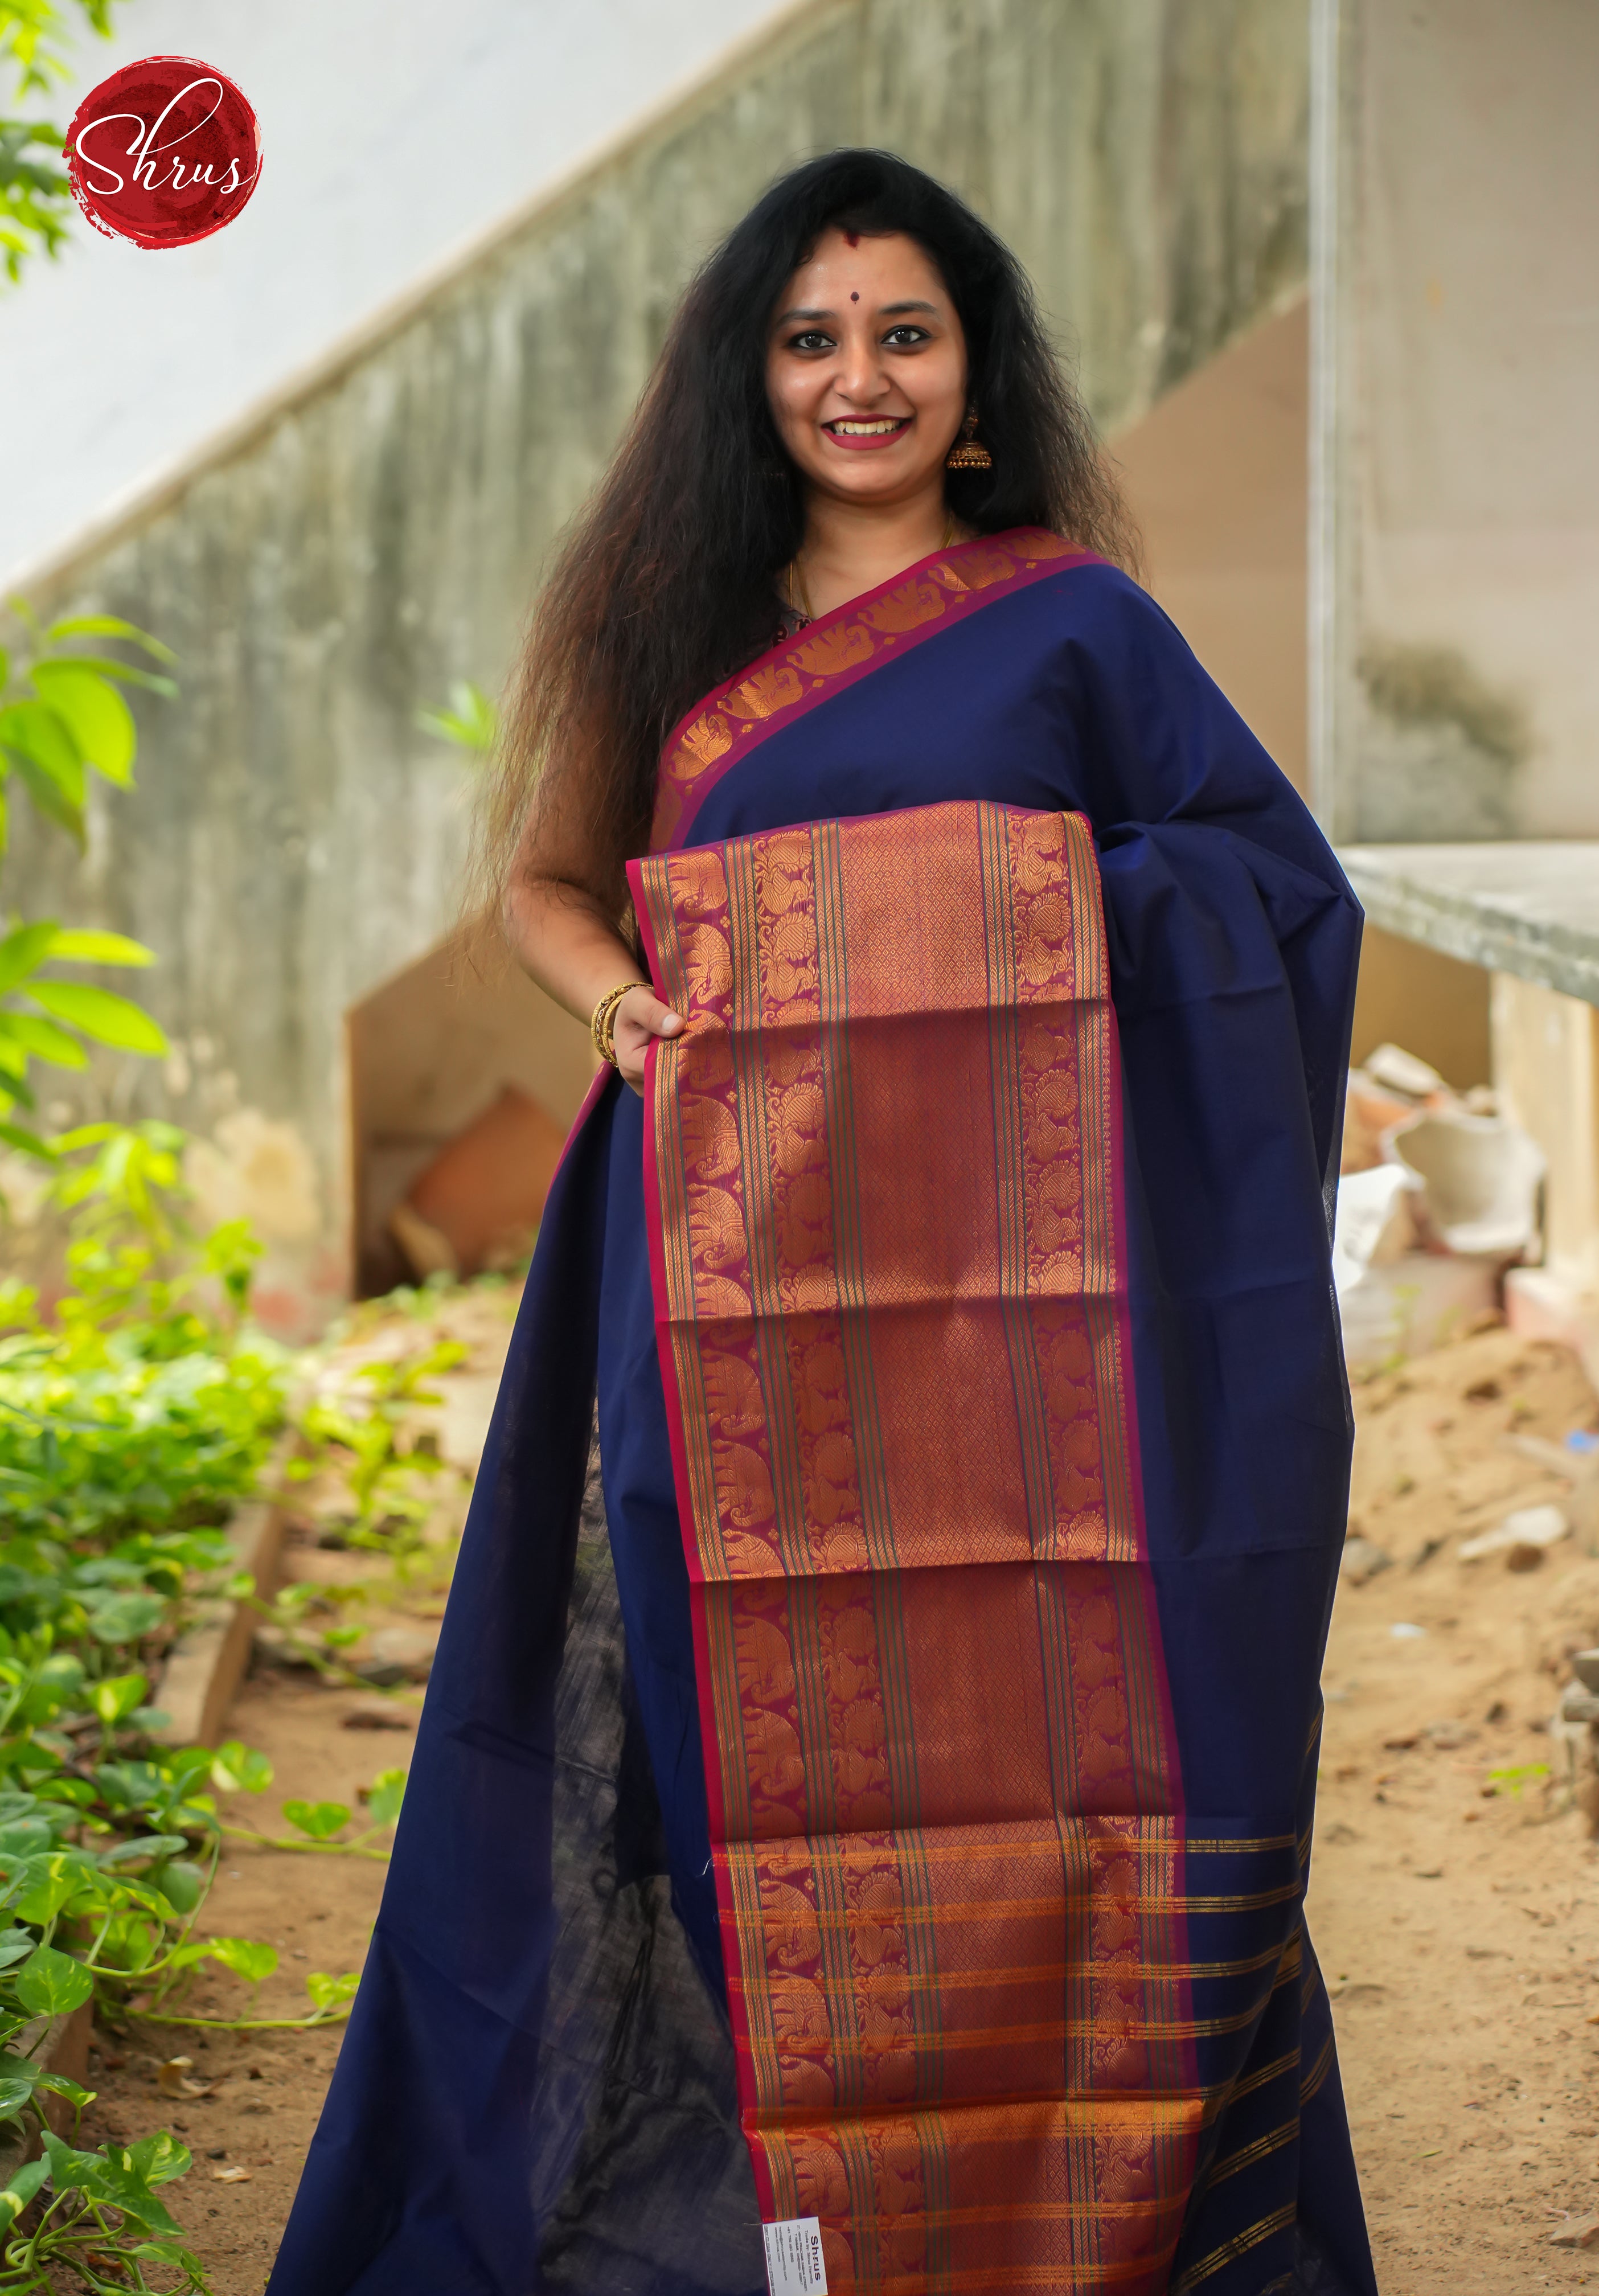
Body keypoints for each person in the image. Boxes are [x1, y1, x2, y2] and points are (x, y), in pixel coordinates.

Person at [272, 149, 1376, 2296]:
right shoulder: (670, 616)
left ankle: (1095, 2232)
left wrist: (1002, 909)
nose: (853, 377)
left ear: (972, 381)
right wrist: (630, 1008)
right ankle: (786, 2239)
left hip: (1041, 1336)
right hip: (728, 1297)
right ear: (745, 374)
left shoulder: (1077, 621)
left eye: (901, 335)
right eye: (808, 338)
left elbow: (1273, 897)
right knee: (738, 1767)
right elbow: (554, 881)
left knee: (1070, 1763)